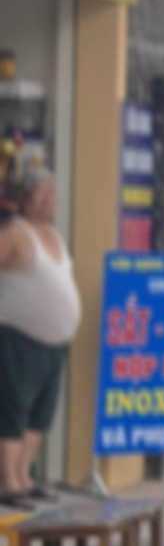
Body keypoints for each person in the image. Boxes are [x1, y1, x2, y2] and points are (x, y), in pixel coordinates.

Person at [0, 169, 81, 505]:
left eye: (53, 192)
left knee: (40, 414)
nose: (48, 198)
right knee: (12, 410)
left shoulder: (54, 234)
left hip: (55, 343)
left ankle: (24, 474)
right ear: (24, 197)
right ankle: (8, 482)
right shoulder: (14, 233)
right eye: (41, 192)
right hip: (18, 337)